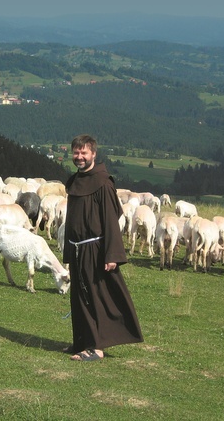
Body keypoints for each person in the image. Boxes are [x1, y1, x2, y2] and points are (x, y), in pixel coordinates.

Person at [63, 134, 143, 361]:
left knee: (96, 297)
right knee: (79, 298)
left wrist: (112, 254)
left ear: (93, 154)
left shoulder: (103, 183)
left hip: (95, 250)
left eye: (84, 153)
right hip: (78, 248)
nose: (79, 157)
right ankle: (82, 342)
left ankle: (96, 347)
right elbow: (72, 220)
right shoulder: (75, 181)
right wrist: (69, 251)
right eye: (76, 153)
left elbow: (111, 220)